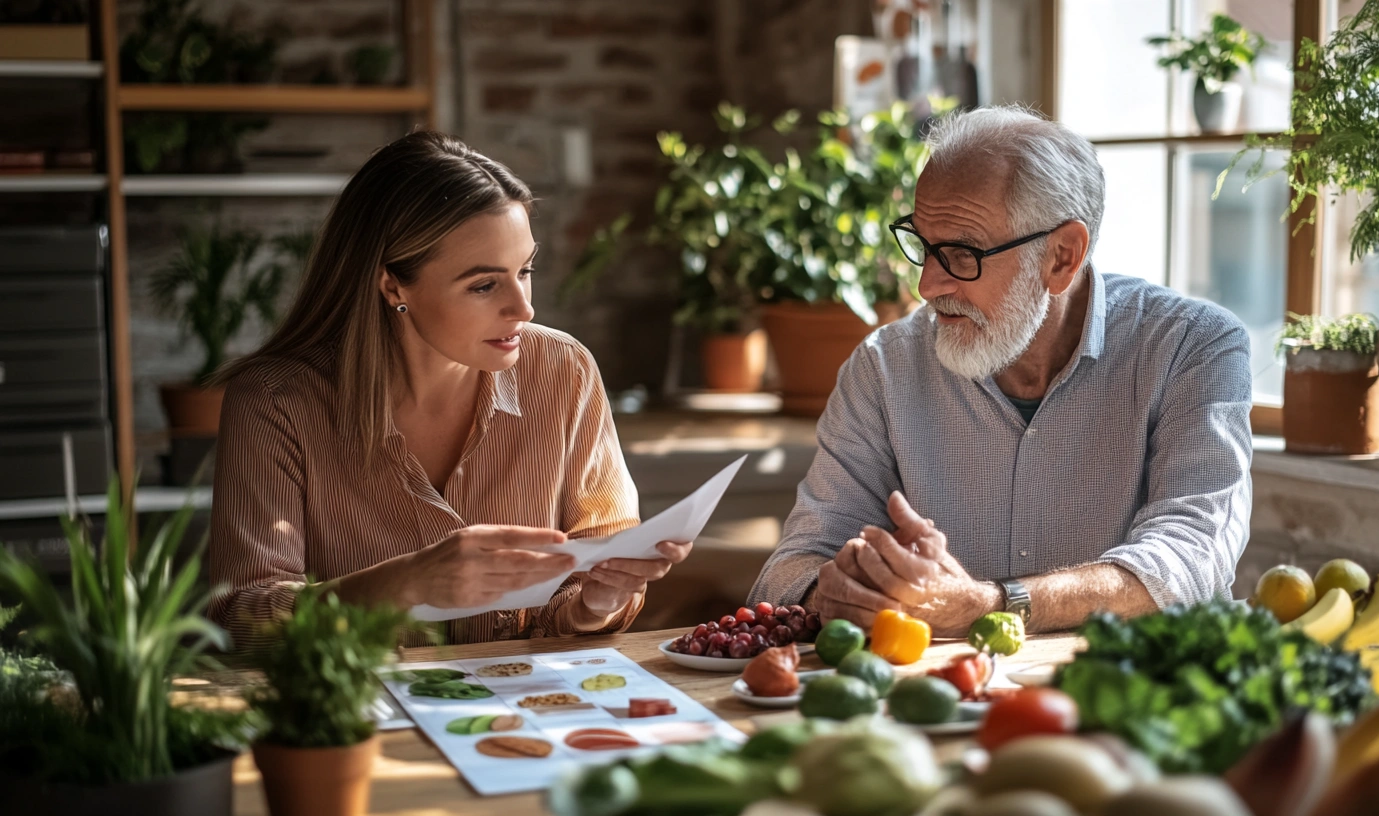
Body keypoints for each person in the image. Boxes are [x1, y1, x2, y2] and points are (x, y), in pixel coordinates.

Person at [748, 106, 1253, 636]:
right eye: (923, 245)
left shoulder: (1193, 347)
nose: (927, 286)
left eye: (962, 254)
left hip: (1127, 695)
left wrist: (990, 605)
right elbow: (791, 568)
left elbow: (1190, 559)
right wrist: (842, 590)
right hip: (936, 702)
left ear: (1062, 256)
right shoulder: (884, 367)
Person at [208, 131, 687, 649]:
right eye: (484, 285)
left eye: (524, 271)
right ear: (393, 284)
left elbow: (587, 586)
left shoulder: (563, 370)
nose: (523, 308)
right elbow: (242, 619)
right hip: (361, 716)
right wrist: (402, 583)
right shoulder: (277, 401)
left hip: (519, 710)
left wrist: (596, 603)